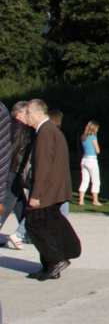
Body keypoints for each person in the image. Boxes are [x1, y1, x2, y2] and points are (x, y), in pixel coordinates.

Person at [22, 99, 82, 280]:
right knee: (48, 226)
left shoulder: (46, 132)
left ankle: (55, 259)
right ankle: (50, 266)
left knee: (33, 224)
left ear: (39, 113)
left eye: (28, 113)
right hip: (54, 189)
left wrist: (36, 194)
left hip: (47, 190)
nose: (26, 116)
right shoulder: (49, 131)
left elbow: (43, 166)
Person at [3, 101, 34, 250]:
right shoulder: (19, 128)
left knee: (20, 202)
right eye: (26, 113)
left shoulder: (14, 127)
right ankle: (27, 232)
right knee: (8, 201)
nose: (29, 116)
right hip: (13, 170)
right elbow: (12, 149)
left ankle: (28, 232)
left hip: (14, 170)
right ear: (19, 114)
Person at [78, 121, 103, 207]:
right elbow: (97, 150)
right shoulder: (93, 137)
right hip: (92, 160)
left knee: (84, 180)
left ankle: (81, 200)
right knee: (96, 180)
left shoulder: (83, 137)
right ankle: (95, 200)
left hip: (84, 159)